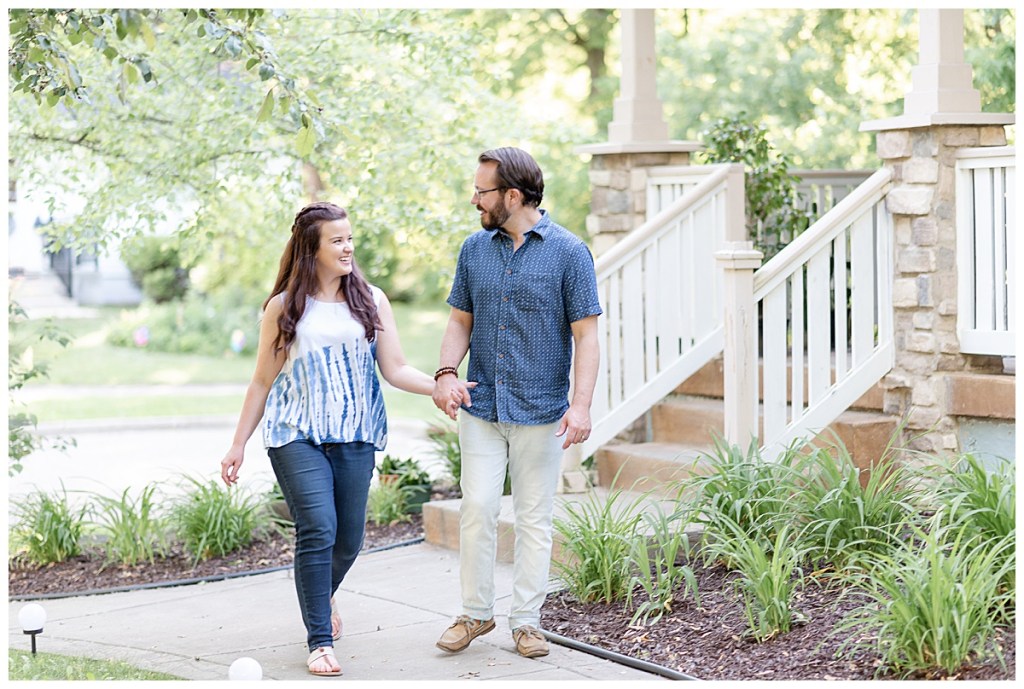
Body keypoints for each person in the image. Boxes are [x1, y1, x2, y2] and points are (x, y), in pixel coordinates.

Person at [220, 202, 454, 676]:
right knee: (318, 529)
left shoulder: (371, 298)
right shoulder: (284, 307)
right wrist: (238, 443)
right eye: (337, 240)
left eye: (350, 238)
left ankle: (319, 598)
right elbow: (262, 382)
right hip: (296, 434)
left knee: (348, 539)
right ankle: (320, 640)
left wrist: (441, 385)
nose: (348, 247)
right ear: (312, 248)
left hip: (355, 435)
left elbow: (395, 368)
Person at [432, 147, 601, 659]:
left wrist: (582, 405)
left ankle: (526, 621)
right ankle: (475, 613)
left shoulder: (570, 253)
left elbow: (587, 337)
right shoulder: (473, 249)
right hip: (481, 406)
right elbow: (460, 320)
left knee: (533, 518)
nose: (473, 199)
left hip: (542, 410)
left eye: (482, 191)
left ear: (512, 195)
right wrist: (445, 373)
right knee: (478, 509)